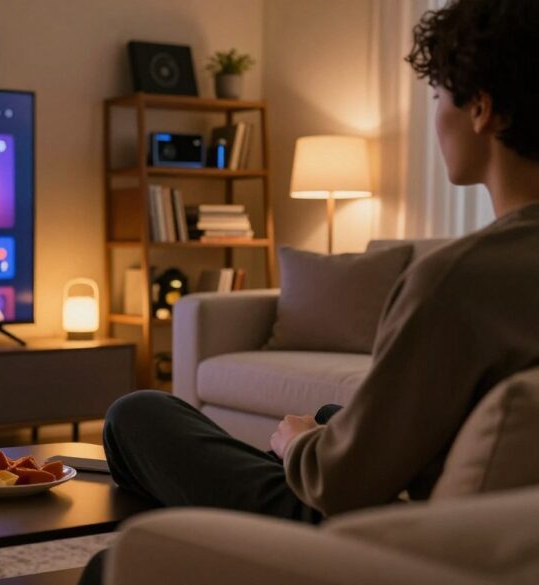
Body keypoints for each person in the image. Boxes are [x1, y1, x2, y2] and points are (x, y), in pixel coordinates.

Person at [81, 0, 539, 582]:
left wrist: (300, 443)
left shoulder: (459, 279)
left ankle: (200, 539)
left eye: (437, 96)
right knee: (330, 413)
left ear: (481, 109)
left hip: (373, 527)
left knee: (136, 414)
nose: (436, 116)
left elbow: (339, 484)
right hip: (500, 528)